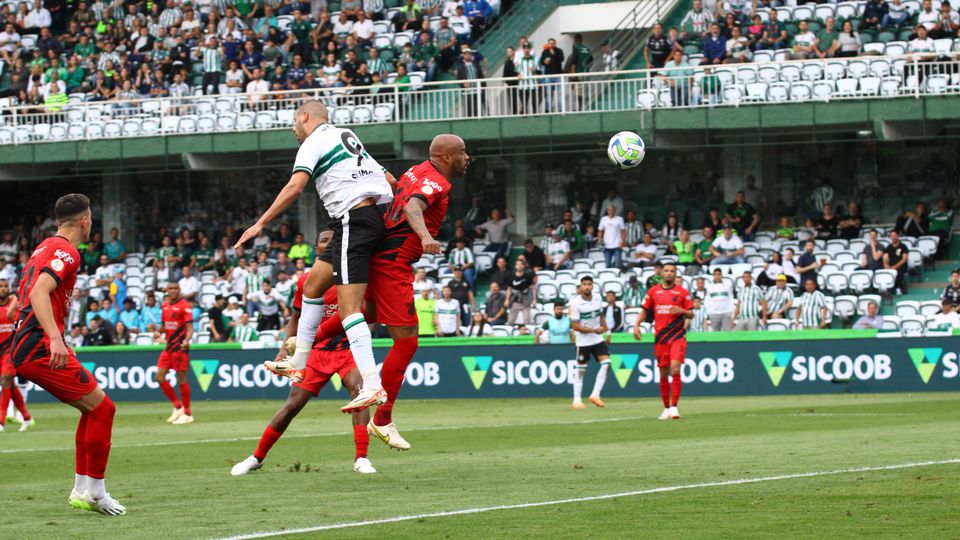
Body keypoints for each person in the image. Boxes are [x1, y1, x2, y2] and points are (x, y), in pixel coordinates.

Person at [307, 134, 468, 450]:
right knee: (406, 341)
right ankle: (382, 420)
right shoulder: (438, 182)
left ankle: (305, 342)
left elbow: (398, 190)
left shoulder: (417, 170)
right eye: (463, 153)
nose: (468, 158)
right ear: (447, 156)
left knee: (371, 312)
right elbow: (411, 205)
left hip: (380, 252)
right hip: (393, 261)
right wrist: (424, 237)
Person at [242, 101, 395, 415]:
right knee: (312, 286)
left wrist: (261, 223)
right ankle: (299, 363)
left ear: (304, 117)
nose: (293, 131)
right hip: (354, 221)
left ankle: (372, 384)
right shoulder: (346, 135)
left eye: (293, 124)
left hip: (354, 220)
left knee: (350, 309)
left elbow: (296, 186)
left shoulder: (313, 141)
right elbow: (390, 180)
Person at [11, 194, 125, 515]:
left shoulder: (43, 247)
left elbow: (27, 292)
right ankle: (96, 493)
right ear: (85, 221)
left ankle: (81, 490)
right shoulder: (67, 251)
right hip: (38, 345)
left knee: (92, 410)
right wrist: (55, 338)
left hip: (28, 343)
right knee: (104, 410)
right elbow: (37, 292)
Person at [232, 282, 376, 475]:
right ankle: (257, 457)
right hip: (315, 352)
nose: (324, 250)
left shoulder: (353, 277)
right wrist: (284, 348)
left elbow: (371, 311)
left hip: (347, 350)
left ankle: (361, 458)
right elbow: (296, 317)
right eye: (321, 248)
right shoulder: (308, 281)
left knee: (360, 394)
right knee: (292, 405)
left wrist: (363, 338)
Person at [633, 262, 693, 420]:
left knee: (675, 369)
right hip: (660, 338)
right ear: (662, 273)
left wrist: (682, 311)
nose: (669, 273)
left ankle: (674, 407)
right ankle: (666, 408)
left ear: (675, 274)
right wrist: (636, 325)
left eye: (672, 271)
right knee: (663, 373)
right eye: (666, 271)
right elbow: (645, 311)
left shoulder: (682, 293)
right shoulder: (653, 292)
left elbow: (691, 313)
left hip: (677, 336)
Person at [153, 281, 194, 425]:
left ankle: (187, 413)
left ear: (179, 289)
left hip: (180, 347)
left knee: (181, 378)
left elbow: (190, 328)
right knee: (159, 377)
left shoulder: (185, 306)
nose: (173, 291)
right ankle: (178, 407)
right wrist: (158, 332)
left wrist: (187, 339)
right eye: (171, 288)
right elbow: (165, 325)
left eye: (176, 288)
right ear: (167, 290)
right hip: (169, 346)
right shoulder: (165, 305)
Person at [569, 276, 611, 409]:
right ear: (581, 287)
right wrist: (593, 330)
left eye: (589, 284)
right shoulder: (575, 303)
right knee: (581, 371)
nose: (587, 287)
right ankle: (576, 400)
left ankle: (595, 394)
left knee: (607, 363)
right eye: (584, 284)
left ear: (593, 286)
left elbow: (601, 316)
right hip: (583, 342)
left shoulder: (598, 298)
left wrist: (607, 331)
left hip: (597, 340)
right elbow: (575, 326)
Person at [0, 278, 32, 432]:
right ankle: (26, 417)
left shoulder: (15, 303)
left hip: (11, 349)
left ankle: (1, 422)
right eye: (1, 286)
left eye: (6, 286)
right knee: (10, 386)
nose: (4, 289)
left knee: (5, 379)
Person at [506, 259, 536, 327]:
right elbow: (509, 289)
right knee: (510, 321)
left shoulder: (527, 276)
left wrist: (534, 299)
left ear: (523, 266)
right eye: (518, 264)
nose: (519, 266)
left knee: (527, 320)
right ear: (515, 266)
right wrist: (507, 299)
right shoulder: (512, 276)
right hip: (515, 301)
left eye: (521, 264)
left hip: (525, 301)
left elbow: (533, 288)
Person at [884, 230, 909, 295]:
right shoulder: (888, 247)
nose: (893, 237)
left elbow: (904, 259)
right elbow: (885, 257)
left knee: (898, 270)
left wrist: (895, 266)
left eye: (895, 235)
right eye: (892, 236)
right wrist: (886, 266)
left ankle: (898, 287)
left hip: (901, 266)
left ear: (898, 236)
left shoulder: (903, 246)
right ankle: (885, 289)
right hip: (890, 266)